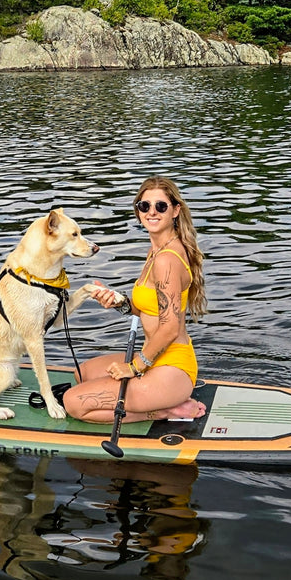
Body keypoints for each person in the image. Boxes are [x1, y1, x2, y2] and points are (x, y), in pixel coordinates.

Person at [63, 176, 207, 424]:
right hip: (155, 357)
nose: (152, 212)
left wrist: (135, 367)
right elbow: (146, 310)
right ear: (138, 211)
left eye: (160, 206)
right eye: (144, 206)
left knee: (73, 403)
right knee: (81, 374)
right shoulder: (156, 250)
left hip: (171, 367)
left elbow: (170, 326)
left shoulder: (167, 259)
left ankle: (166, 410)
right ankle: (160, 399)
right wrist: (119, 302)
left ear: (175, 210)